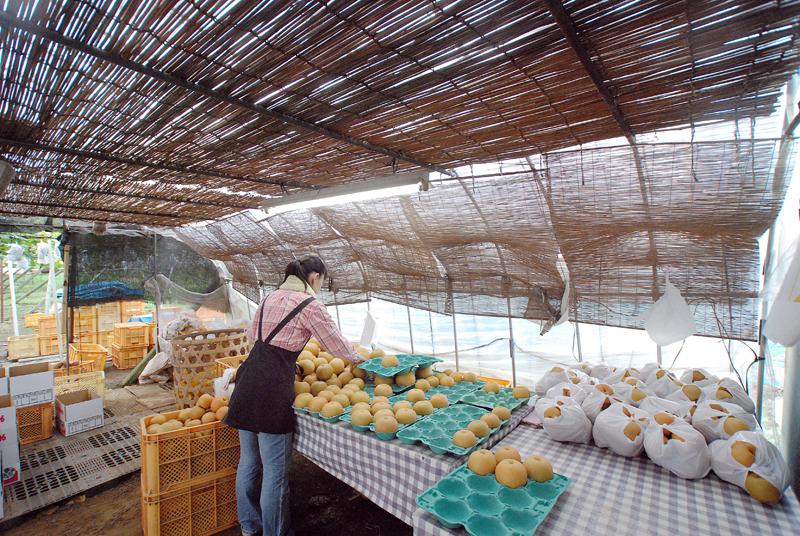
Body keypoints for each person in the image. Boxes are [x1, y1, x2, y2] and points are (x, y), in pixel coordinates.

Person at [225, 255, 362, 536]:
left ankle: (250, 528)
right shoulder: (311, 305)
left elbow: (254, 340)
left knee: (249, 463)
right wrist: (360, 361)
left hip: (247, 381)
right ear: (314, 278)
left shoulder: (268, 298)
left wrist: (287, 361)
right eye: (323, 281)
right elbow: (336, 345)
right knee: (274, 471)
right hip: (272, 390)